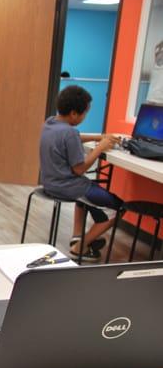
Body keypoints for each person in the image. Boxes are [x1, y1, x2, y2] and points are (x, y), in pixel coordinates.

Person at [40, 85, 124, 262]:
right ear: (73, 114)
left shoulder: (51, 123)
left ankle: (77, 236)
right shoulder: (69, 132)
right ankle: (80, 247)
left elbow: (73, 136)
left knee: (89, 192)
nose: (85, 116)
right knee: (117, 207)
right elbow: (79, 169)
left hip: (50, 183)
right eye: (85, 113)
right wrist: (100, 147)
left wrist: (97, 137)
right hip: (68, 187)